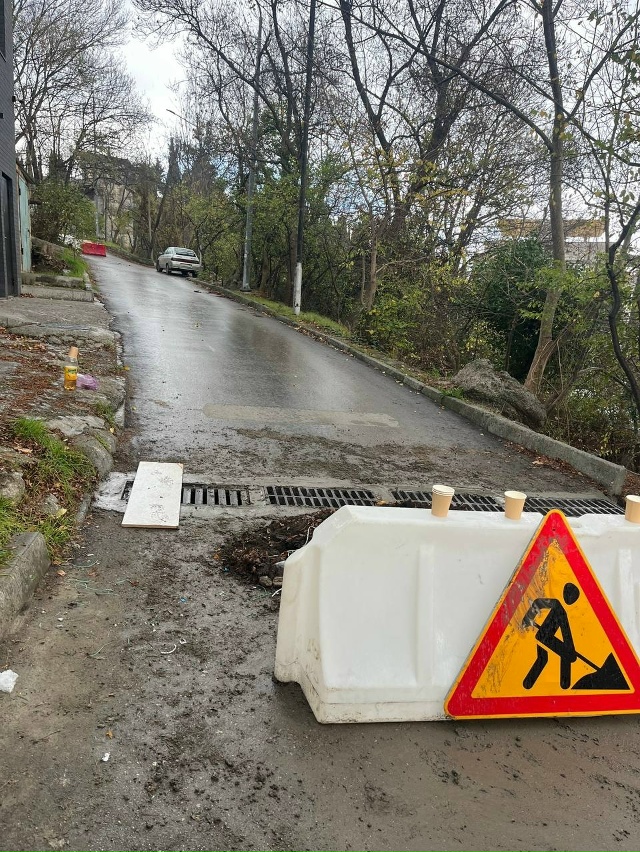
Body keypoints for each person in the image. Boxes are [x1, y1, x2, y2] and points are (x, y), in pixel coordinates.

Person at [522, 582, 580, 689]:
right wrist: (528, 618)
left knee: (546, 658)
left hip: (545, 637)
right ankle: (527, 684)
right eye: (571, 596)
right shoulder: (557, 605)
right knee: (544, 658)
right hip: (544, 635)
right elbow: (538, 602)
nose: (571, 600)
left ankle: (564, 684)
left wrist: (570, 648)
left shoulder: (562, 610)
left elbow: (565, 631)